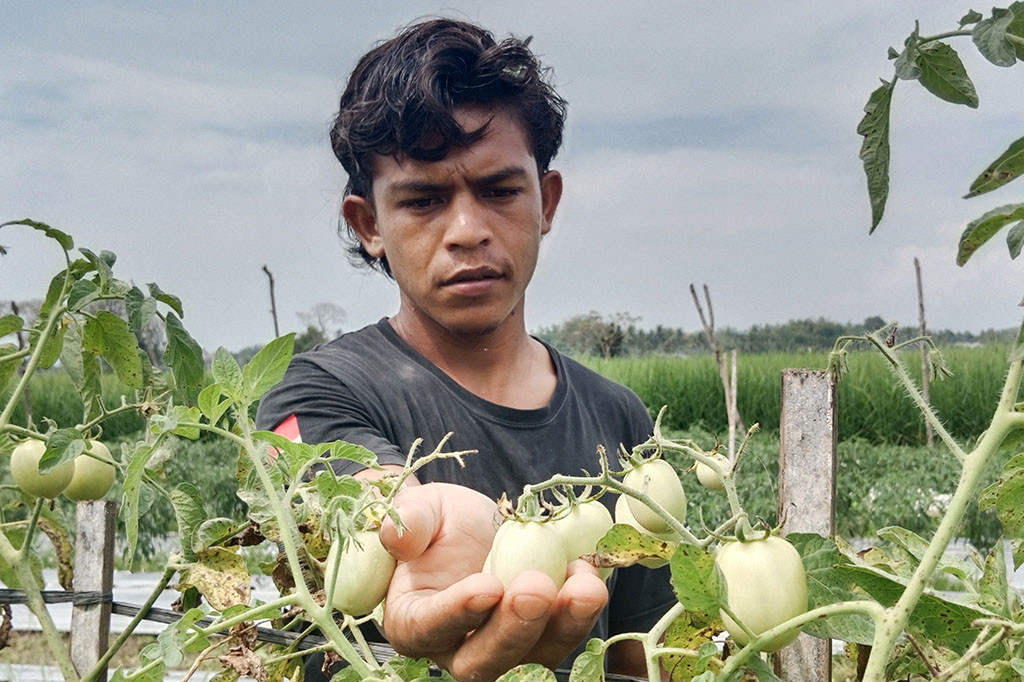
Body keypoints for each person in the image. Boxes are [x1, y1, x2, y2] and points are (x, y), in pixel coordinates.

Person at [256, 18, 675, 681]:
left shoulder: (619, 420)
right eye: (423, 200)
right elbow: (354, 484)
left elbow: (641, 654)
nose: (468, 231)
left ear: (547, 201)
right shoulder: (313, 397)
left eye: (499, 190)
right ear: (369, 225)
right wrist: (413, 518)